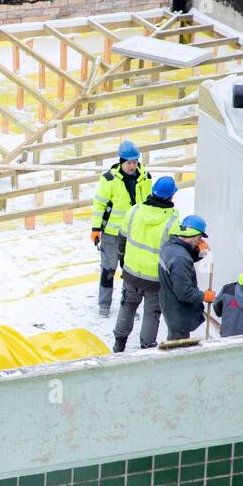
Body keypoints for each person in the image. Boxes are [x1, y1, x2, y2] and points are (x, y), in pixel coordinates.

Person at [113, 175, 179, 351]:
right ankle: (147, 346)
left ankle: (119, 342)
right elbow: (174, 254)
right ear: (171, 196)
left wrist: (122, 260)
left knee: (127, 305)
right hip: (155, 279)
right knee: (152, 313)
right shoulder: (172, 222)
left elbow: (122, 239)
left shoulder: (134, 211)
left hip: (131, 272)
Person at [91, 141, 153, 316]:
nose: (132, 166)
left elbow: (149, 204)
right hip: (112, 233)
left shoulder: (145, 178)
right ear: (121, 161)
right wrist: (96, 229)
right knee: (109, 269)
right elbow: (99, 205)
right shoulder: (109, 180)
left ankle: (129, 305)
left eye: (135, 162)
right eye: (129, 163)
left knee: (131, 271)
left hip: (134, 233)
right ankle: (104, 305)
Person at [158, 215, 215, 341]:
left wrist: (200, 253)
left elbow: (185, 257)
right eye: (199, 238)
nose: (199, 242)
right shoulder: (180, 258)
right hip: (178, 311)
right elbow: (183, 292)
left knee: (175, 338)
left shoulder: (170, 245)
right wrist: (203, 296)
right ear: (193, 234)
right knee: (178, 344)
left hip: (169, 303)